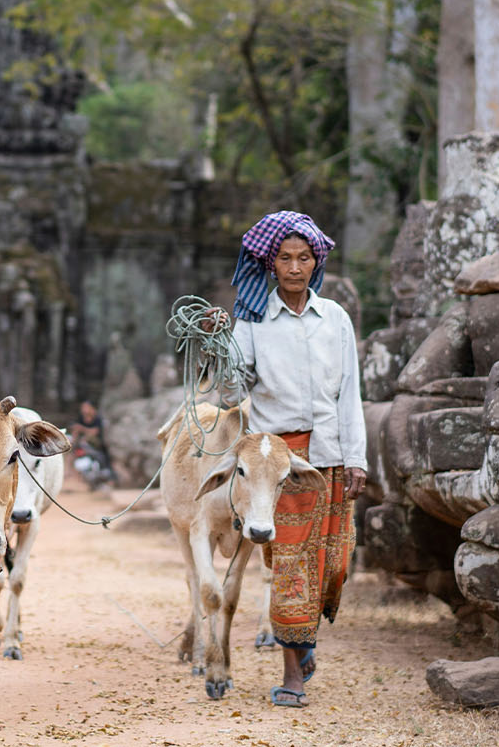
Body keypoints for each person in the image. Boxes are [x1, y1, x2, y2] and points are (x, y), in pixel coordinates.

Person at [219, 210, 367, 709]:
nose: (294, 267)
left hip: (330, 456)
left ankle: (303, 642)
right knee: (289, 565)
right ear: (270, 263)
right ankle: (292, 673)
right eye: (285, 257)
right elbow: (228, 393)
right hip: (276, 464)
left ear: (315, 262)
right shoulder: (253, 321)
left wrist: (357, 460)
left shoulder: (336, 321)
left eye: (303, 257)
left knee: (333, 565)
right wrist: (220, 346)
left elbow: (351, 395)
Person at [67, 400, 114, 489]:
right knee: (71, 453)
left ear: (92, 409)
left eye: (86, 407)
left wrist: (81, 429)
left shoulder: (98, 419)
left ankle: (109, 478)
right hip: (82, 443)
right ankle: (69, 474)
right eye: (83, 408)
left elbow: (95, 432)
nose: (84, 410)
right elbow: (75, 430)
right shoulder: (81, 418)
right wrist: (74, 438)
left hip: (96, 444)